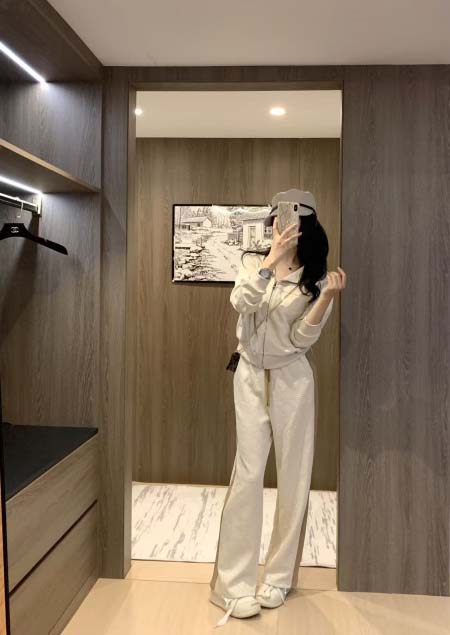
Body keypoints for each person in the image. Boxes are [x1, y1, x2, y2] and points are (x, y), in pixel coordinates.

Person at [209, 189, 346, 626]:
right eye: (275, 222)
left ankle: (279, 578)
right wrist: (270, 260)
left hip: (293, 379)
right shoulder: (254, 263)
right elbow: (240, 303)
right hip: (250, 374)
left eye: (288, 222)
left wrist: (325, 298)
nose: (280, 228)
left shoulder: (315, 277)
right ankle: (232, 586)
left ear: (306, 226)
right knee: (248, 474)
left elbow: (302, 339)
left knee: (294, 476)